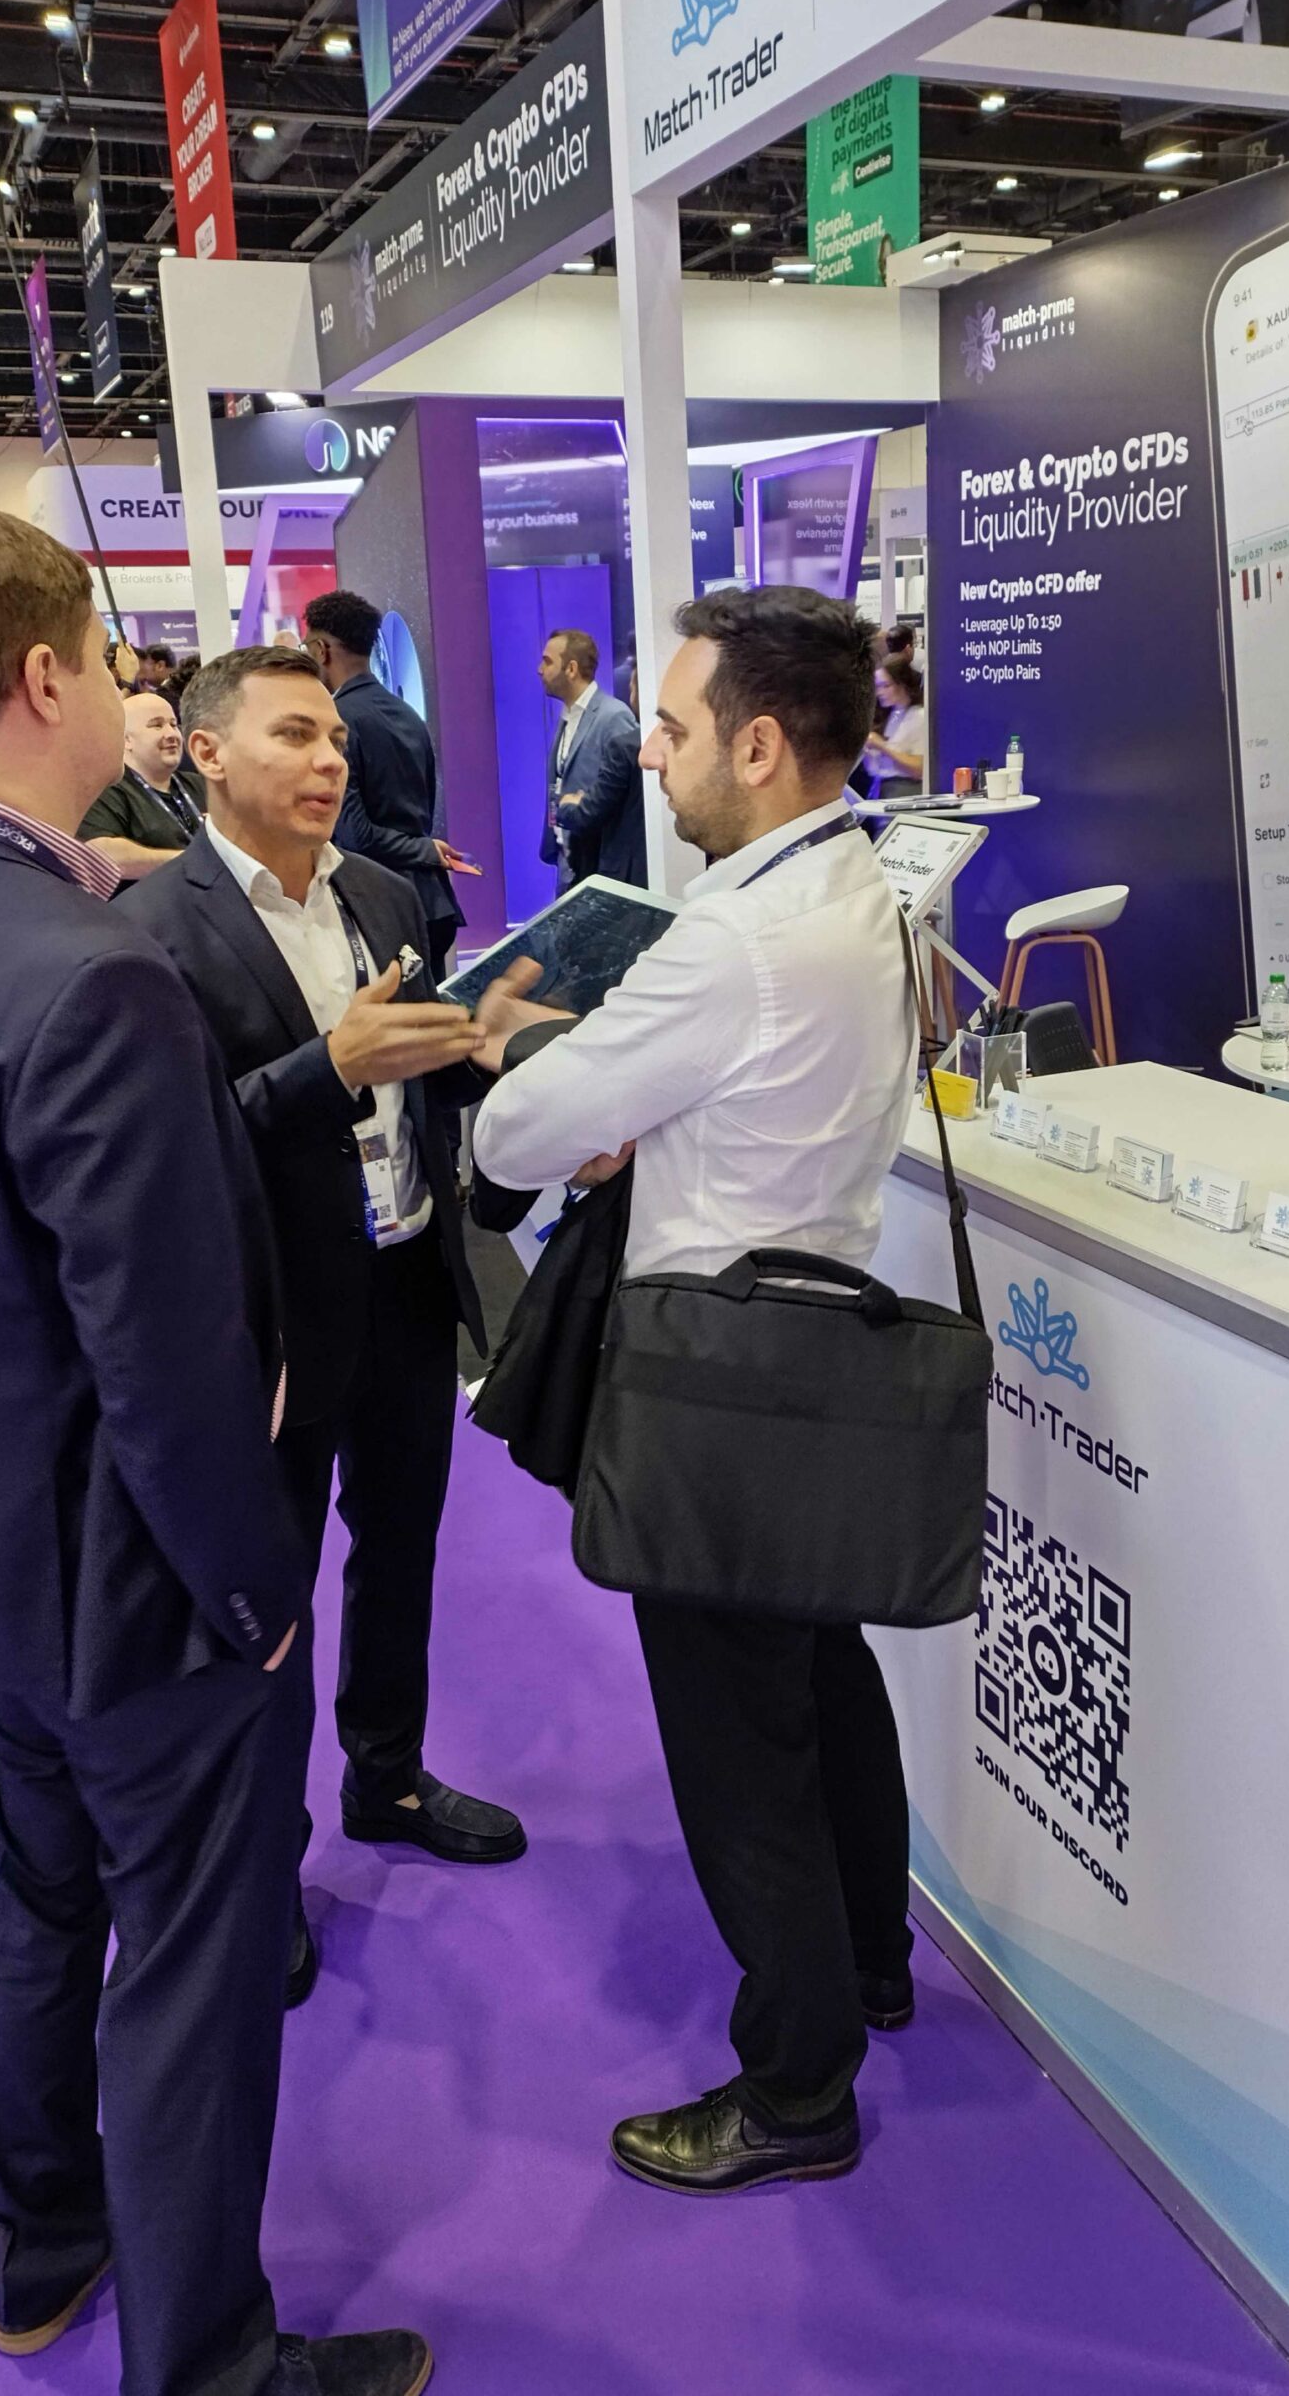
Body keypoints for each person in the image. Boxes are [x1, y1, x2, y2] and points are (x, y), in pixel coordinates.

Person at [0, 504, 430, 2396]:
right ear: (45, 678)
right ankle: (211, 2364)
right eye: (103, 654)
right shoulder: (91, 971)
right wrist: (254, 1592)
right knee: (197, 1971)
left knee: (43, 1892)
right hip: (135, 1577)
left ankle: (43, 2248)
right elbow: (169, 1358)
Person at [473, 585, 918, 2194]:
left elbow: (516, 1138)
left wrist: (507, 1061)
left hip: (712, 1384)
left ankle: (797, 2091)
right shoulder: (855, 881)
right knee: (819, 1682)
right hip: (814, 1348)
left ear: (759, 743)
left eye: (670, 730)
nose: (648, 755)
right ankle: (868, 1965)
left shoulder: (734, 937)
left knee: (740, 1749)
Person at [122, 646, 524, 1873]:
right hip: (269, 1316)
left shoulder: (384, 897)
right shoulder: (151, 927)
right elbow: (168, 1146)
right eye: (294, 735)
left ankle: (385, 1778)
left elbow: (416, 1073)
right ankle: (265, 1854)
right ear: (205, 752)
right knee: (269, 1584)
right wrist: (329, 1067)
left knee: (400, 1549)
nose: (329, 760)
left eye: (334, 739)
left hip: (405, 1278)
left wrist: (484, 1049)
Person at [302, 589, 476, 980]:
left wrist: (423, 849)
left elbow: (355, 836)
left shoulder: (337, 722)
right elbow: (422, 812)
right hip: (432, 904)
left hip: (379, 910)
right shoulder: (408, 715)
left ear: (321, 650)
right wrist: (423, 849)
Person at [538, 628, 647, 890]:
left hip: (599, 867)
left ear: (571, 669)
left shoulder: (614, 717)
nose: (540, 670)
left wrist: (578, 805)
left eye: (547, 661)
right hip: (568, 863)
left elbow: (624, 793)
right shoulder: (567, 717)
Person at [78, 690, 206, 880]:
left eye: (173, 724)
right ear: (126, 740)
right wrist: (191, 861)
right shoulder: (106, 789)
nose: (171, 734)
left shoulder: (201, 783)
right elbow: (103, 854)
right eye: (156, 725)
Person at [862, 656, 927, 793]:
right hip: (880, 788)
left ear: (902, 685)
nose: (880, 693)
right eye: (878, 687)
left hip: (905, 791)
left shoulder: (919, 716)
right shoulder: (891, 716)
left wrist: (882, 746)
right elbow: (875, 768)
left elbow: (919, 768)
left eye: (886, 686)